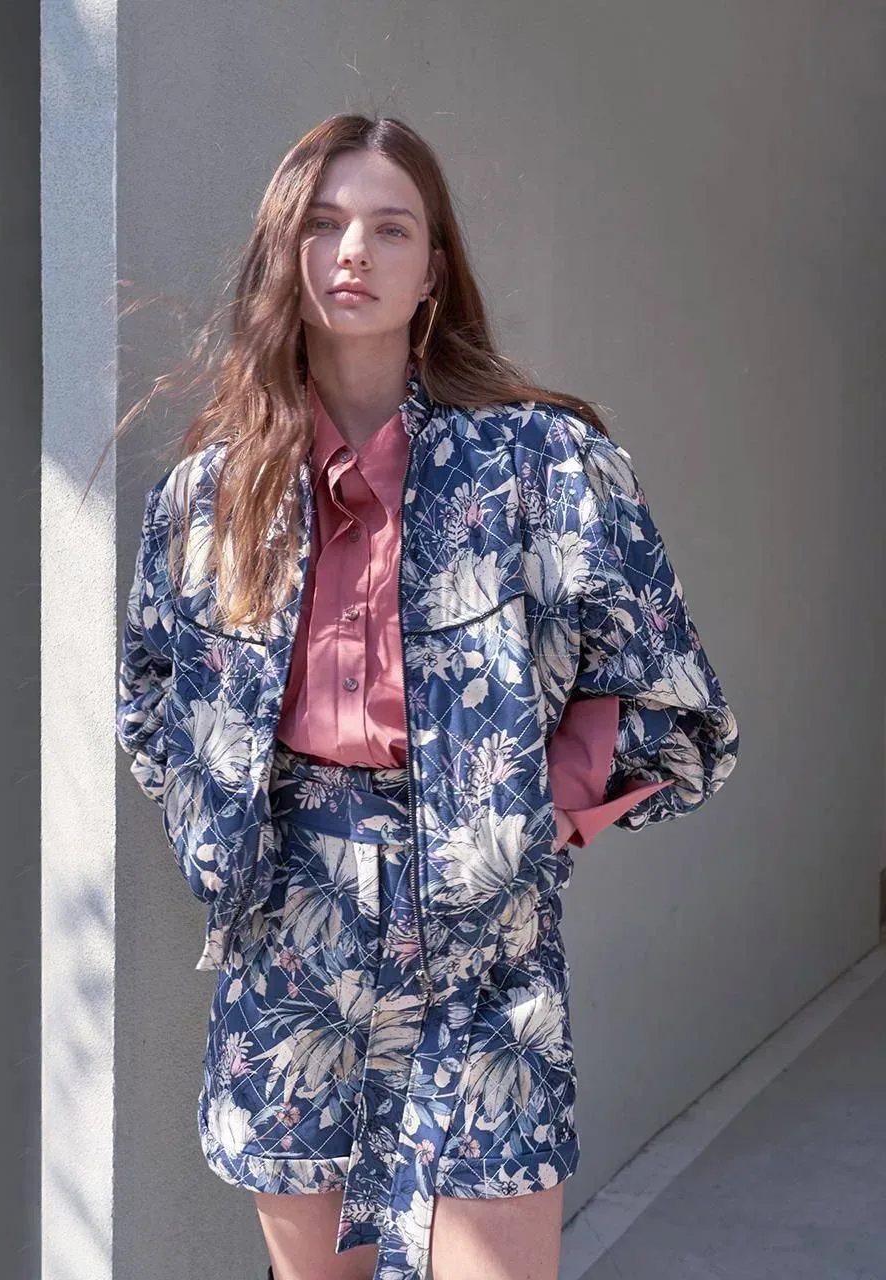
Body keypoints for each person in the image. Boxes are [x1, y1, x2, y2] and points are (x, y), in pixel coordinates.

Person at [114, 113, 739, 1280]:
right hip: (292, 933)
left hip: (484, 931)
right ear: (285, 252)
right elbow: (152, 692)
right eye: (324, 222)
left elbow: (661, 687)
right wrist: (226, 831)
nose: (354, 249)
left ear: (433, 272)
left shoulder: (542, 466)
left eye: (390, 227)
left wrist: (539, 812)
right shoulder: (210, 496)